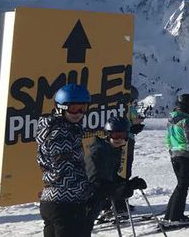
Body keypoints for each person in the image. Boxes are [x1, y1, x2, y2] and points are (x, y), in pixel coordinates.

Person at [37, 83, 94, 237]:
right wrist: (90, 190)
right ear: (61, 107)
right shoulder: (60, 134)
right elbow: (64, 171)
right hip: (65, 204)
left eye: (82, 108)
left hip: (55, 202)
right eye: (73, 108)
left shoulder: (62, 128)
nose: (78, 113)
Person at [86, 117, 147, 224]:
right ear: (107, 134)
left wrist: (128, 184)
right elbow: (95, 182)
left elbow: (112, 177)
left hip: (96, 200)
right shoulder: (98, 152)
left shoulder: (113, 150)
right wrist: (120, 188)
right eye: (115, 135)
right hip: (83, 202)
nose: (119, 139)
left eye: (122, 135)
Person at [164, 93, 189, 223]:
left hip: (175, 155)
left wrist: (172, 152)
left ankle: (170, 215)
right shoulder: (187, 121)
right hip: (186, 157)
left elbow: (168, 139)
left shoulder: (171, 119)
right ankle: (176, 217)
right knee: (183, 187)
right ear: (187, 107)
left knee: (180, 186)